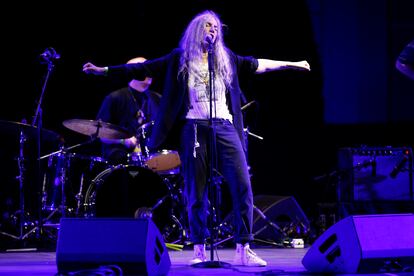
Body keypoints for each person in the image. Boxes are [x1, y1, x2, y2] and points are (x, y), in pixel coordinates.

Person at [83, 10, 310, 267]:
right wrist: (104, 71)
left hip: (224, 126)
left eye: (215, 27)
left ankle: (243, 247)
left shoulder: (227, 58)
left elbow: (259, 64)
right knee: (196, 190)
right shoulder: (179, 59)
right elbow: (142, 67)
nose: (211, 30)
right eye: (206, 26)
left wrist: (293, 64)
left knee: (242, 185)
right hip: (193, 128)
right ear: (195, 30)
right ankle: (200, 248)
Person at [96, 57, 162, 165]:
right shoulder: (114, 98)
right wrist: (123, 141)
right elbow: (100, 133)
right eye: (144, 69)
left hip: (152, 157)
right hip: (120, 159)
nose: (150, 72)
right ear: (133, 72)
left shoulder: (158, 99)